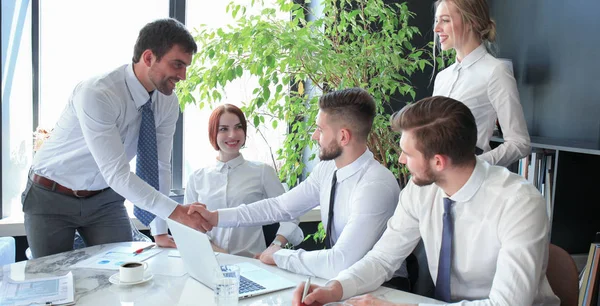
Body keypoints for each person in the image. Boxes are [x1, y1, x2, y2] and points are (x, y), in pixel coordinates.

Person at [293, 96, 560, 306]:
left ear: (438, 162)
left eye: (407, 153)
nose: (400, 160)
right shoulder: (421, 189)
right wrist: (335, 288)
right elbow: (383, 258)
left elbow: (507, 304)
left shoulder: (519, 203)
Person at [21, 18, 205, 258]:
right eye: (177, 65)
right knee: (53, 281)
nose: (183, 75)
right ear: (149, 58)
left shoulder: (168, 102)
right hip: (51, 194)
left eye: (185, 67)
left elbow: (159, 165)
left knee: (123, 272)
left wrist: (159, 229)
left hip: (104, 199)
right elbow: (118, 174)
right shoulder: (97, 94)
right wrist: (177, 212)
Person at [190, 88, 407, 284]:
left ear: (343, 136)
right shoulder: (327, 170)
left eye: (320, 130)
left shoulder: (375, 185)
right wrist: (215, 217)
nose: (314, 136)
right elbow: (280, 207)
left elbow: (340, 261)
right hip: (345, 283)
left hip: (384, 290)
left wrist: (278, 255)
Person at [152, 104, 304, 256]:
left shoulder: (262, 172)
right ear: (213, 133)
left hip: (253, 263)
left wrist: (274, 247)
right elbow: (190, 227)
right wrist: (217, 250)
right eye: (223, 129)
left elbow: (290, 214)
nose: (232, 135)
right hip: (209, 260)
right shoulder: (197, 178)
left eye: (238, 127)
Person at [432, 0, 530, 167]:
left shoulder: (496, 71)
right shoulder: (442, 77)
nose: (436, 29)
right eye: (436, 20)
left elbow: (520, 143)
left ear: (471, 22)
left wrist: (473, 166)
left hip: (471, 184)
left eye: (445, 20)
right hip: (436, 179)